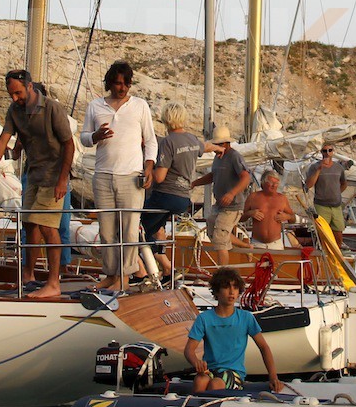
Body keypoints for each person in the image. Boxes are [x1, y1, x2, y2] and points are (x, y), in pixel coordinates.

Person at [0, 70, 76, 300]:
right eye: (11, 94)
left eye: (18, 92)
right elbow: (2, 140)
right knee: (30, 227)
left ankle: (54, 283)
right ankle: (28, 277)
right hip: (33, 175)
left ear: (30, 86)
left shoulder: (52, 108)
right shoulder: (15, 111)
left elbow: (69, 145)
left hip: (54, 176)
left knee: (48, 227)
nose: (15, 98)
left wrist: (62, 180)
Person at [80, 60, 158, 291]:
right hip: (103, 174)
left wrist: (149, 167)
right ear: (109, 84)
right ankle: (112, 275)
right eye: (117, 83)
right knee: (106, 230)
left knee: (129, 229)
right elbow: (84, 138)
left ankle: (125, 275)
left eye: (125, 84)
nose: (121, 88)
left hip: (131, 175)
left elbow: (151, 140)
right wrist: (95, 136)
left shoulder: (140, 106)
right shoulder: (95, 106)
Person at [186, 268, 284, 393]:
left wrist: (273, 377)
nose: (231, 292)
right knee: (200, 381)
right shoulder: (204, 318)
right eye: (226, 287)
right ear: (216, 291)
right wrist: (196, 362)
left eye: (235, 288)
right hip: (210, 370)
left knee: (216, 384)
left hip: (233, 373)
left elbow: (264, 347)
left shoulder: (246, 317)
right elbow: (189, 350)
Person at [140, 103, 201, 278]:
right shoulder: (192, 139)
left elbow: (159, 177)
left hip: (166, 195)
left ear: (166, 119)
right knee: (154, 229)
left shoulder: (168, 142)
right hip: (183, 198)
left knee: (137, 228)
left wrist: (147, 170)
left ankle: (151, 270)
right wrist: (218, 148)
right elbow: (205, 147)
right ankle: (166, 269)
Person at [195, 125, 250, 254]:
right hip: (220, 204)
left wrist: (231, 193)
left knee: (220, 240)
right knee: (212, 229)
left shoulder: (234, 156)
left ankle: (223, 270)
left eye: (218, 145)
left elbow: (246, 177)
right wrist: (194, 183)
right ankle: (244, 246)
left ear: (226, 144)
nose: (215, 149)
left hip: (233, 205)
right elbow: (213, 176)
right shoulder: (218, 158)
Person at [304, 144, 350, 238]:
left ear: (333, 152)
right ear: (321, 152)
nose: (327, 153)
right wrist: (319, 170)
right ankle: (324, 252)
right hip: (321, 205)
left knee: (338, 233)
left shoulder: (339, 168)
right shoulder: (314, 167)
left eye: (330, 150)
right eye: (325, 151)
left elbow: (344, 184)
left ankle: (337, 252)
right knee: (323, 235)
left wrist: (336, 193)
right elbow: (308, 185)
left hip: (336, 206)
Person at [243, 170, 295, 248]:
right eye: (271, 182)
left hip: (275, 244)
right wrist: (250, 213)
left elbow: (293, 219)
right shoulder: (253, 197)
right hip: (257, 243)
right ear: (263, 183)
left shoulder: (282, 199)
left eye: (276, 183)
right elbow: (240, 218)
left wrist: (287, 217)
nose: (274, 185)